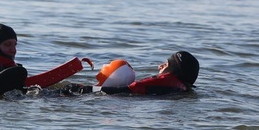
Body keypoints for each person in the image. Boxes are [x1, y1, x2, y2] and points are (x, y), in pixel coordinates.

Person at [62, 50, 200, 96]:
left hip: (127, 101)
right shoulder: (180, 87)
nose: (160, 66)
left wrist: (86, 89)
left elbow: (128, 90)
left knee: (66, 91)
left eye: (167, 64)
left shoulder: (162, 80)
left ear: (174, 69)